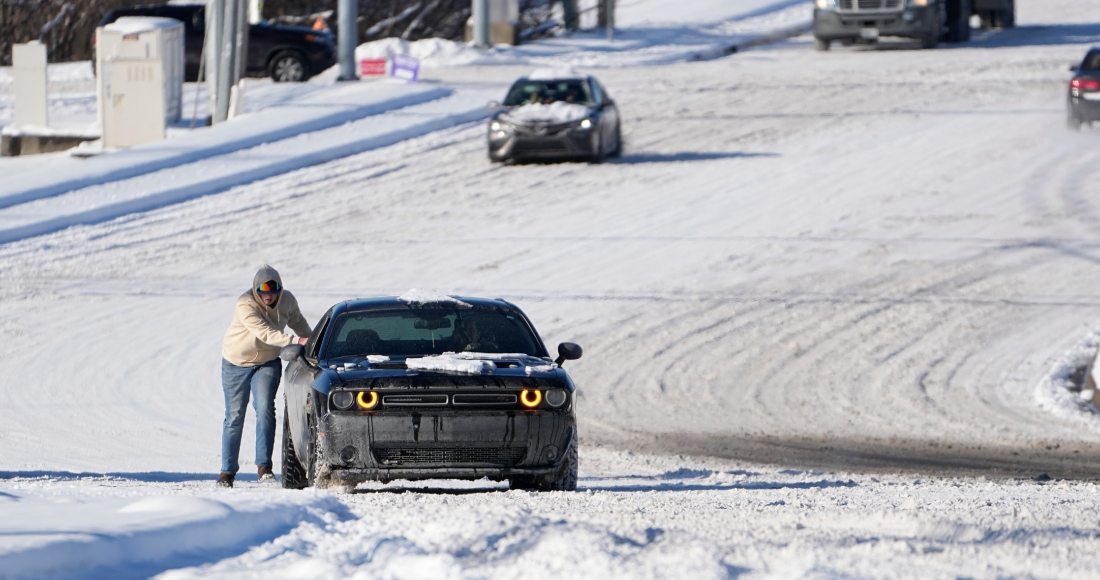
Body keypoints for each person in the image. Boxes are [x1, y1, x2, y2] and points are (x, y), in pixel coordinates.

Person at [218, 265, 311, 488]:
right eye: (263, 291)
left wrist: (312, 342)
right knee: (235, 416)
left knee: (265, 408)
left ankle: (264, 468)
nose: (268, 295)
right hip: (236, 362)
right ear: (255, 290)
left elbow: (299, 323)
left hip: (267, 362)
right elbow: (264, 333)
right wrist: (296, 342)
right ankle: (227, 473)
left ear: (280, 288)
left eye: (274, 290)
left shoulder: (287, 300)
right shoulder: (245, 304)